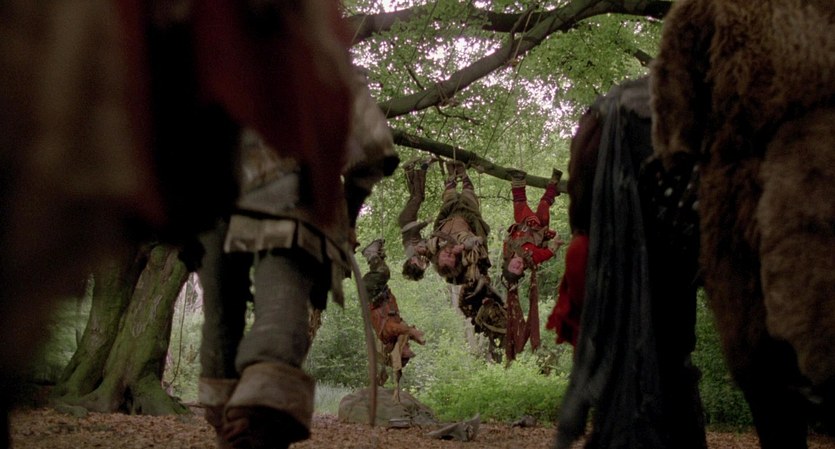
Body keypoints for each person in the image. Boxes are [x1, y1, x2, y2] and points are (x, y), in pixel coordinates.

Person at [196, 67, 398, 449]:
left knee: (222, 317)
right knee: (275, 314)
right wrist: (349, 211)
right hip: (287, 200)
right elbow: (373, 145)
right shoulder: (320, 54)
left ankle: (237, 426)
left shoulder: (204, 51)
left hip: (217, 200)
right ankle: (248, 426)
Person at [360, 239, 426, 398]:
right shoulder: (396, 338)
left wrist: (412, 332)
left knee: (383, 272)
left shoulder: (388, 337)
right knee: (382, 270)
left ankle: (371, 253)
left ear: (399, 352)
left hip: (371, 293)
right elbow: (402, 330)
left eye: (407, 351)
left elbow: (395, 328)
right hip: (378, 291)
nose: (409, 348)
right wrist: (413, 335)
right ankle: (376, 255)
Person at [426, 161, 491, 286]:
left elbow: (423, 245)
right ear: (456, 260)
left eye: (444, 257)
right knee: (468, 194)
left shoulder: (435, 245)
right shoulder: (468, 253)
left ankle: (452, 176)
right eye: (450, 257)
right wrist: (463, 246)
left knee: (449, 195)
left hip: (449, 213)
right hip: (468, 215)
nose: (448, 254)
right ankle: (464, 175)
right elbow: (479, 240)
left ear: (438, 258)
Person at [500, 168, 564, 285]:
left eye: (514, 267)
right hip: (539, 228)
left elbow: (508, 238)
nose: (518, 265)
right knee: (543, 205)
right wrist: (556, 243)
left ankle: (518, 179)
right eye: (519, 269)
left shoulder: (507, 251)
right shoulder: (532, 259)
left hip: (523, 223)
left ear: (508, 263)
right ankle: (554, 183)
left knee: (520, 209)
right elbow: (548, 253)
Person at [398, 157, 435, 281]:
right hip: (409, 220)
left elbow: (414, 232)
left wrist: (426, 222)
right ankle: (418, 168)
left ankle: (411, 169)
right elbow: (425, 241)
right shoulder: (417, 254)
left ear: (412, 263)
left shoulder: (411, 252)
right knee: (417, 196)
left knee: (417, 197)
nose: (421, 262)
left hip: (407, 220)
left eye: (419, 264)